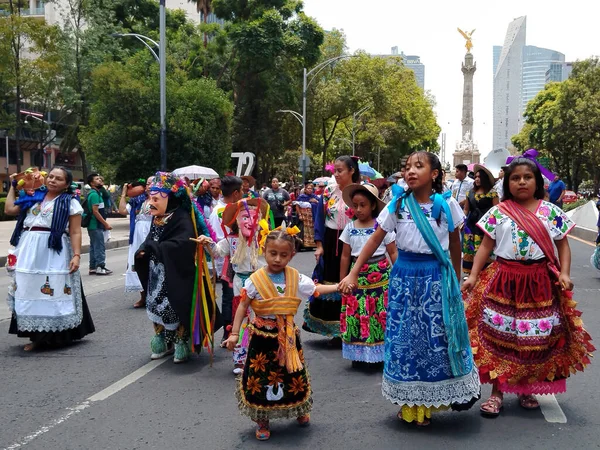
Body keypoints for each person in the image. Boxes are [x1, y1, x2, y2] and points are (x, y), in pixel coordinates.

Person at [339, 152, 480, 426]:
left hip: (435, 279)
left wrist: (455, 277)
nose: (411, 172)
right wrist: (354, 273)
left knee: (435, 339)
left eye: (419, 166)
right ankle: (410, 405)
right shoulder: (397, 205)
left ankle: (432, 400)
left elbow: (455, 244)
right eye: (407, 168)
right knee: (404, 340)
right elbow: (374, 240)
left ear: (435, 174)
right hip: (404, 279)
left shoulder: (446, 204)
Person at [462, 158, 594, 417]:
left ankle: (527, 388)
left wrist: (565, 273)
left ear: (537, 182)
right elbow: (486, 246)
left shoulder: (551, 212)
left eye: (527, 177)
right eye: (515, 178)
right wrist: (473, 276)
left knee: (535, 338)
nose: (521, 182)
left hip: (539, 282)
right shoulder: (499, 212)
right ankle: (497, 393)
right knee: (500, 336)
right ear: (507, 183)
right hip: (504, 280)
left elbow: (562, 245)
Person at [224, 228, 340, 441]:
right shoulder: (255, 280)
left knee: (293, 374)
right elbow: (243, 306)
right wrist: (235, 334)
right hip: (262, 338)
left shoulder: (295, 278)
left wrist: (337, 287)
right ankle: (262, 419)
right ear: (264, 251)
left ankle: (298, 408)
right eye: (272, 253)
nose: (277, 259)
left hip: (287, 336)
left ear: (292, 255)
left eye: (283, 255)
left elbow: (315, 289)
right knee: (262, 379)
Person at [6, 166, 95, 351]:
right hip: (29, 248)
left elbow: (75, 231)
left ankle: (51, 336)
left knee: (53, 288)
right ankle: (34, 333)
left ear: (67, 184)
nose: (53, 180)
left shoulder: (70, 202)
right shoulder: (33, 196)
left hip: (54, 249)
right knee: (28, 288)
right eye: (51, 176)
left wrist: (77, 255)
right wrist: (13, 187)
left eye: (58, 179)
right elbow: (9, 210)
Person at [136, 172, 220, 363]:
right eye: (150, 197)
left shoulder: (181, 218)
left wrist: (156, 248)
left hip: (175, 273)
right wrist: (143, 250)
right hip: (157, 273)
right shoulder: (157, 218)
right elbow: (152, 238)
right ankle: (164, 341)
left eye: (156, 198)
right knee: (156, 306)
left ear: (170, 197)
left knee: (175, 306)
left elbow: (183, 243)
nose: (151, 202)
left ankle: (182, 341)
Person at [197, 197, 269, 374]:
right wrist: (207, 242)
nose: (250, 221)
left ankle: (263, 358)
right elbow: (217, 252)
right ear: (237, 220)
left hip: (261, 283)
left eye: (254, 217)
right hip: (240, 284)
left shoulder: (265, 238)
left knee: (264, 320)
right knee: (242, 321)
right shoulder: (231, 240)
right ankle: (240, 360)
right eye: (245, 217)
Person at [339, 183, 397, 365]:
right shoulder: (349, 228)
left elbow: (393, 252)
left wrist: (398, 275)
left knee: (381, 312)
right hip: (357, 277)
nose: (358, 209)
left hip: (381, 275)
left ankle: (381, 353)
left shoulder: (382, 227)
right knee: (359, 313)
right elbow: (345, 256)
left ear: (373, 205)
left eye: (363, 205)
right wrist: (343, 281)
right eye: (355, 205)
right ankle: (359, 353)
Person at [303, 155, 359, 341]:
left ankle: (351, 325)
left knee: (350, 280)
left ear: (351, 171)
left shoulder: (360, 192)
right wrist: (319, 246)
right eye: (334, 170)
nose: (336, 174)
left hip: (352, 241)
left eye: (340, 170)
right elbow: (320, 218)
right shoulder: (328, 192)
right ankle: (332, 328)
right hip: (330, 240)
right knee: (329, 281)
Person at [209, 176, 243, 344]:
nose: (244, 194)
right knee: (231, 296)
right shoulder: (222, 210)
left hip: (234, 256)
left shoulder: (226, 208)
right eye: (242, 190)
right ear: (236, 193)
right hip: (229, 258)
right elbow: (220, 238)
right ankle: (229, 331)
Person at [118, 177, 154, 308]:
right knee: (137, 263)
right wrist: (124, 194)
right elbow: (122, 211)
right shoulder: (137, 201)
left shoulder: (160, 199)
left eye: (152, 183)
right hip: (137, 235)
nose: (149, 185)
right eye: (148, 183)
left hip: (152, 234)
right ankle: (143, 297)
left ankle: (154, 296)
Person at [462, 165, 499, 275]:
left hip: (486, 227)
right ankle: (470, 274)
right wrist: (462, 222)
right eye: (476, 177)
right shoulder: (470, 193)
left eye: (479, 177)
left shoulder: (492, 193)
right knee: (470, 249)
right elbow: (466, 210)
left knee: (484, 251)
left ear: (485, 179)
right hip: (471, 226)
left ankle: (485, 274)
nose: (477, 179)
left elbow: (497, 211)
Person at [85, 173, 113, 275]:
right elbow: (95, 212)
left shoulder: (97, 193)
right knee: (99, 246)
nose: (100, 180)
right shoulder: (94, 195)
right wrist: (106, 224)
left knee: (94, 246)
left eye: (100, 178)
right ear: (92, 183)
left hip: (95, 225)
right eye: (97, 179)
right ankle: (100, 267)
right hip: (95, 225)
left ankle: (93, 267)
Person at [295, 182, 319, 248]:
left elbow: (320, 204)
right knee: (303, 231)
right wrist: (300, 215)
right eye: (308, 188)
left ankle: (311, 244)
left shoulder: (314, 197)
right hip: (304, 218)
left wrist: (316, 201)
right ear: (305, 190)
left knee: (311, 230)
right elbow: (297, 205)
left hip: (312, 218)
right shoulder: (301, 197)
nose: (310, 190)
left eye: (311, 188)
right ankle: (302, 245)